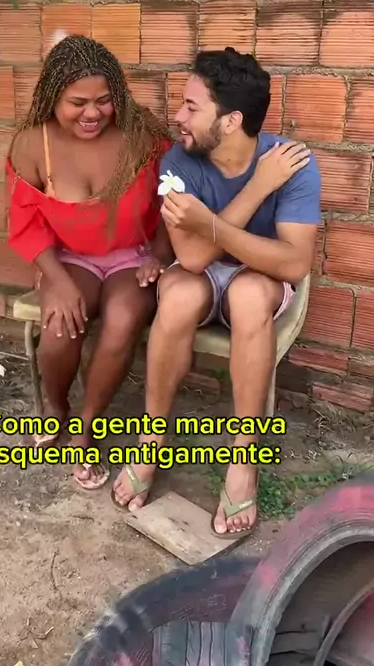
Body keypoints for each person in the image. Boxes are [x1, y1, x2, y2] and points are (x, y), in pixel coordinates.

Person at [112, 47, 321, 536]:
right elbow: (192, 257)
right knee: (178, 293)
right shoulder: (178, 161)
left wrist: (213, 222)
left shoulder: (290, 163)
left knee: (249, 296)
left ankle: (244, 459)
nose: (178, 117)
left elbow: (294, 262)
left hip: (259, 276)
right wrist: (255, 191)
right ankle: (152, 439)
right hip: (201, 272)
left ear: (231, 121)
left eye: (191, 106)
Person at [6, 34, 173, 489]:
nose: (92, 113)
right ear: (52, 97)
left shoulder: (142, 135)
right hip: (68, 259)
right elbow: (25, 221)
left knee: (123, 319)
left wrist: (160, 255)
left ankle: (87, 427)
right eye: (77, 102)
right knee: (60, 327)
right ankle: (56, 407)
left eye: (104, 100)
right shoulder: (32, 143)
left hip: (133, 257)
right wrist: (57, 281)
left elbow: (173, 201)